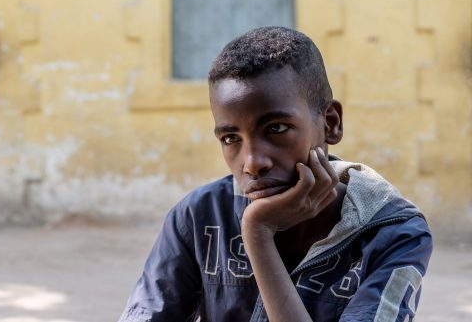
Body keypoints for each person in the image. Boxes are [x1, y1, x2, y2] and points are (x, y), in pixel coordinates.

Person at [118, 27, 432, 322]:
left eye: (277, 128)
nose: (253, 163)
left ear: (331, 123)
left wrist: (257, 231)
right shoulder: (199, 216)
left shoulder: (394, 232)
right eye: (231, 138)